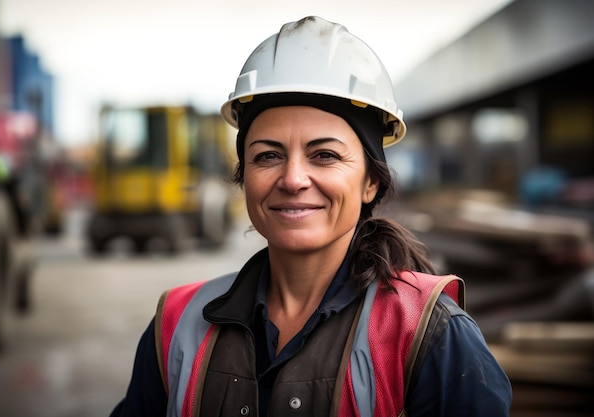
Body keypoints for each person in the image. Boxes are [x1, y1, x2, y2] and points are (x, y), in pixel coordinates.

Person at [110, 16, 512, 417]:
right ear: (244, 178)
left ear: (370, 181)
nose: (292, 178)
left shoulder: (431, 334)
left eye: (325, 155)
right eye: (268, 155)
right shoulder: (177, 325)